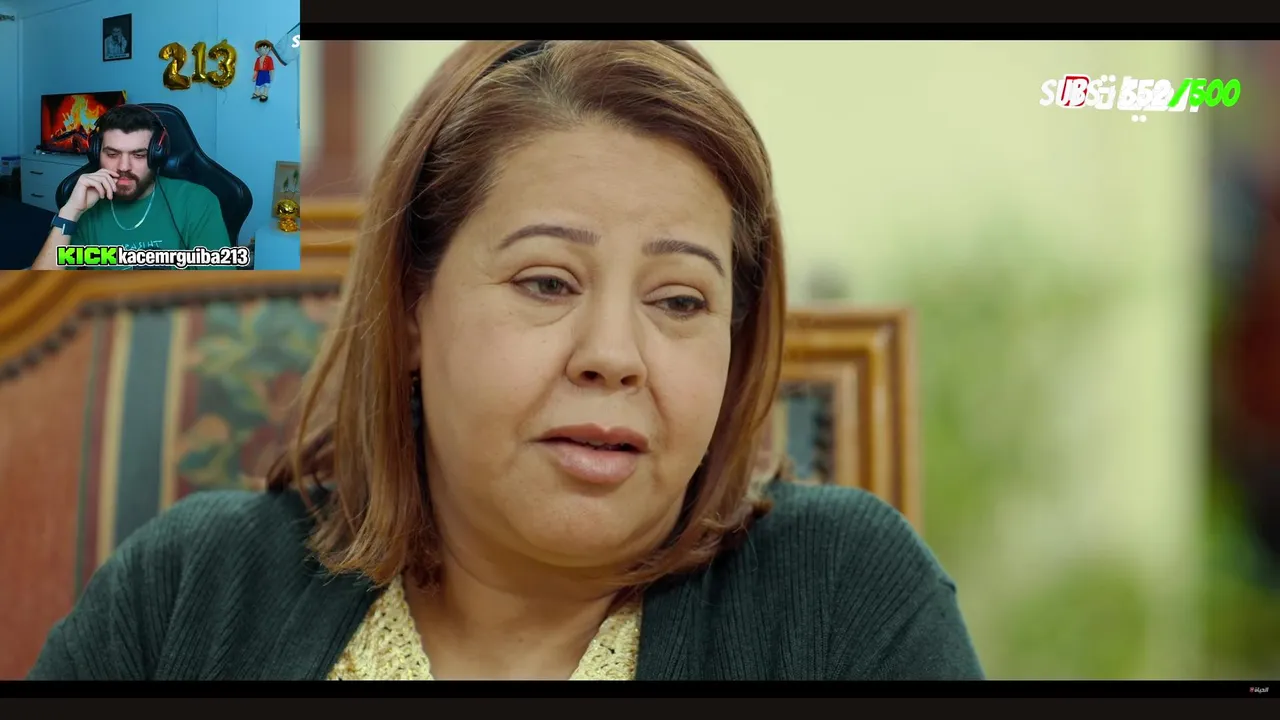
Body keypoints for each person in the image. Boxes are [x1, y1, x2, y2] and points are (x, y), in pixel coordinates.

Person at [26, 40, 984, 680]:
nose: (613, 357)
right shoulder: (192, 591)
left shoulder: (845, 598)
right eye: (547, 282)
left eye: (680, 301)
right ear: (412, 306)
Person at [30, 104, 232, 270]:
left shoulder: (197, 201)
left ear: (156, 156)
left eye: (138, 155)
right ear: (96, 154)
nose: (124, 167)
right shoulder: (85, 208)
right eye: (112, 154)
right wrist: (70, 212)